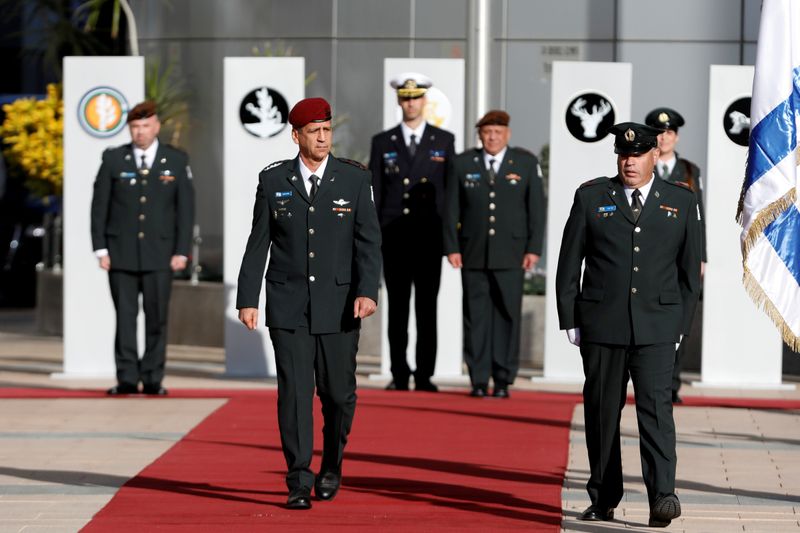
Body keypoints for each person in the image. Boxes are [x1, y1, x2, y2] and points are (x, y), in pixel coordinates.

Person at [236, 97, 382, 510]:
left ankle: (332, 463)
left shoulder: (354, 180)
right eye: (314, 131)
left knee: (338, 394)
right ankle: (299, 479)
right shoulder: (273, 180)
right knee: (295, 394)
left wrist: (367, 290)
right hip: (288, 305)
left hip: (339, 305)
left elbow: (368, 242)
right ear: (296, 135)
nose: (323, 137)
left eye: (327, 129)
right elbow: (258, 243)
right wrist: (248, 299)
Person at [555, 122, 702, 527]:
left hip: (657, 326)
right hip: (602, 325)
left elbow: (690, 274)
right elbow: (570, 263)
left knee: (656, 412)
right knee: (603, 413)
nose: (629, 162)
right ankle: (603, 496)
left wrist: (680, 327)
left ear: (655, 155)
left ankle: (663, 496)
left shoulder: (681, 201)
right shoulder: (591, 197)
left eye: (637, 155)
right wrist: (570, 318)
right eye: (623, 155)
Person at [90, 101, 195, 396]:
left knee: (156, 318)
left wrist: (182, 251)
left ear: (157, 127)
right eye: (135, 127)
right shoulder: (114, 159)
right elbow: (100, 207)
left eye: (146, 126)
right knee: (124, 318)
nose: (140, 132)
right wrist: (100, 248)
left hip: (161, 254)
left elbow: (185, 210)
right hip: (120, 253)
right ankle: (125, 377)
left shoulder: (175, 160)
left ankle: (152, 377)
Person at [443, 110, 545, 398]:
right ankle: (477, 378)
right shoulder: (463, 163)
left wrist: (533, 249)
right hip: (472, 252)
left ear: (508, 134)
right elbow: (451, 209)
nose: (492, 137)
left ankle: (502, 378)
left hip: (512, 254)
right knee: (475, 317)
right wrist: (451, 246)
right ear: (480, 135)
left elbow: (536, 209)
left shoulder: (525, 163)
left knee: (506, 315)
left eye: (498, 133)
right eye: (487, 132)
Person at [368, 72, 455, 392]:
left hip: (429, 237)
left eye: (416, 98)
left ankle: (424, 374)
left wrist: (450, 240)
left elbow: (448, 195)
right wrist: (372, 237)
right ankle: (400, 372)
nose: (411, 103)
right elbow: (375, 191)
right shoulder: (383, 141)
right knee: (398, 309)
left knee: (426, 308)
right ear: (398, 101)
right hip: (394, 237)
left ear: (424, 101)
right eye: (405, 98)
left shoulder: (443, 141)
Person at [645, 107, 706, 404]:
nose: (663, 137)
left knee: (679, 318)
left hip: (683, 253)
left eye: (668, 132)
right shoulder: (644, 167)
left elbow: (699, 216)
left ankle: (672, 385)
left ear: (676, 137)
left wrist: (701, 255)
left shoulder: (691, 171)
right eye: (658, 132)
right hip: (654, 254)